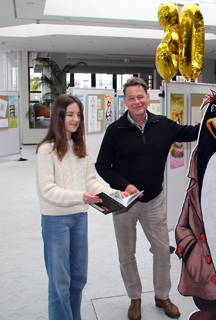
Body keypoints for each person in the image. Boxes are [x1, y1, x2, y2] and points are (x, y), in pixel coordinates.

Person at [95, 77, 200, 320]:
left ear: (148, 98)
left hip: (153, 201)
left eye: (140, 96)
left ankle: (162, 295)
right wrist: (124, 185)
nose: (136, 101)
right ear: (125, 102)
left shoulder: (163, 125)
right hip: (124, 205)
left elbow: (193, 132)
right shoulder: (115, 131)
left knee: (163, 251)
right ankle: (135, 299)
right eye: (131, 98)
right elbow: (102, 165)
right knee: (127, 254)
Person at [35, 94, 127, 320]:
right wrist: (81, 197)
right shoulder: (46, 150)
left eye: (78, 115)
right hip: (56, 221)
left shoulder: (80, 146)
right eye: (70, 115)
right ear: (59, 116)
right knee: (59, 283)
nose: (75, 119)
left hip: (79, 219)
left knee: (78, 279)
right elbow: (47, 190)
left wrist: (115, 193)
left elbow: (91, 182)